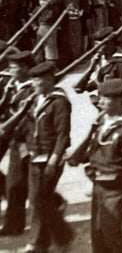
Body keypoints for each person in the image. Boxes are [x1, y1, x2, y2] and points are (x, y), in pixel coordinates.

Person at [68, 79, 122, 253]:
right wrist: (79, 158)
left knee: (111, 233)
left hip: (115, 188)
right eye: (100, 98)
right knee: (97, 234)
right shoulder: (102, 124)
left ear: (120, 102)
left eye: (107, 99)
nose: (101, 102)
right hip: (99, 185)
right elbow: (96, 152)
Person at [24, 61, 73, 252]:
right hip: (35, 157)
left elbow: (63, 134)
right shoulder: (35, 99)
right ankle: (61, 234)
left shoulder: (59, 102)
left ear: (49, 80)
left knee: (39, 199)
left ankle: (36, 243)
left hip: (50, 159)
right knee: (38, 198)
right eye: (33, 80)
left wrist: (54, 159)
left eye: (37, 80)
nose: (34, 84)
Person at [0, 51, 35, 236]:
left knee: (28, 184)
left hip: (28, 144)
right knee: (15, 183)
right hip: (15, 141)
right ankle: (14, 224)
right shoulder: (13, 87)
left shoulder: (31, 91)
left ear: (25, 69)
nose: (10, 70)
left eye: (13, 67)